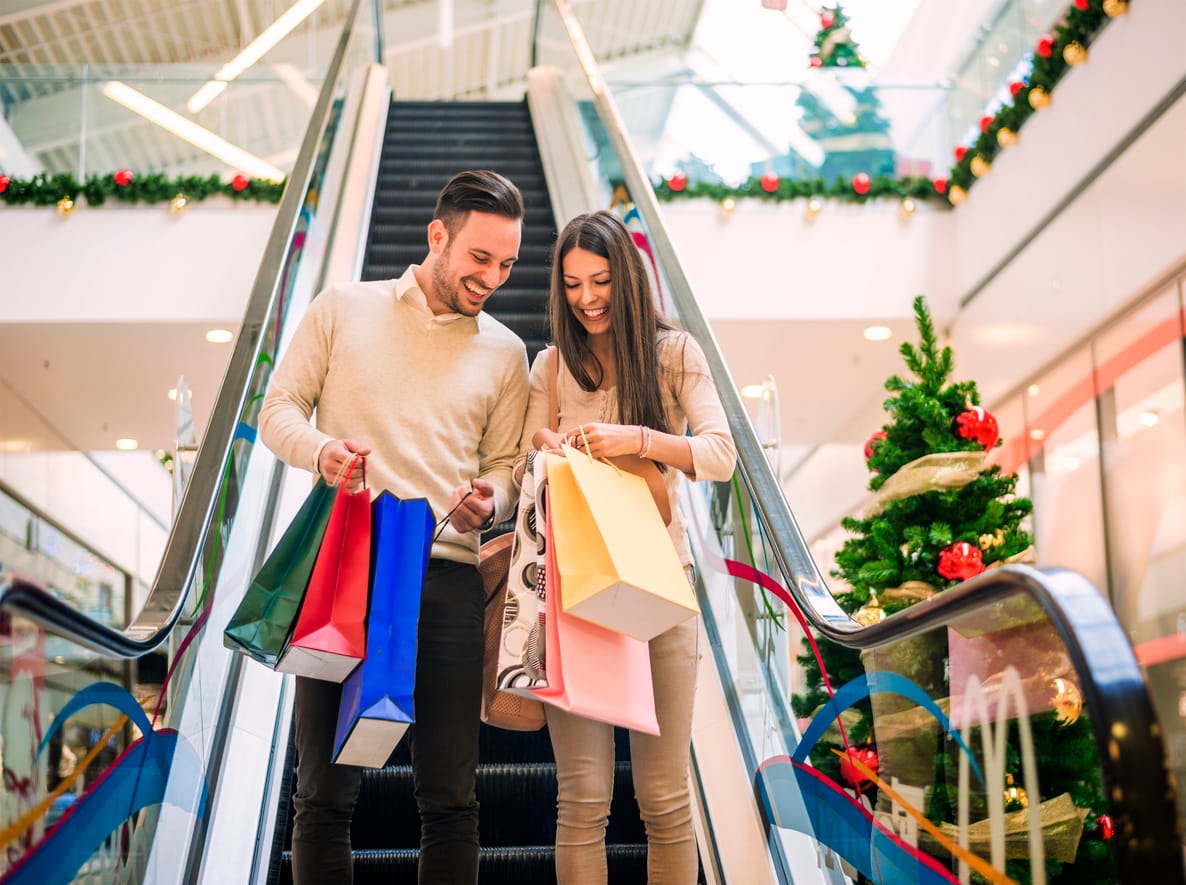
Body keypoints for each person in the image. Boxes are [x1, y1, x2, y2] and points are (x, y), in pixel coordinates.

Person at [258, 169, 530, 884]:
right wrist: (321, 450)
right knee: (323, 794)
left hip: (446, 577)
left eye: (507, 264)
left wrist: (491, 498)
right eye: (481, 258)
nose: (493, 277)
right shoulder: (343, 307)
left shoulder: (506, 352)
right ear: (438, 234)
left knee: (451, 799)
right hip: (346, 566)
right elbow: (278, 407)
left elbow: (506, 463)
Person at [516, 209, 736, 884]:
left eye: (602, 280)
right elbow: (527, 448)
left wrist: (638, 439)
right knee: (581, 799)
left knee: (665, 800)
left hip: (662, 589)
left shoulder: (674, 354)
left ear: (630, 279)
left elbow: (720, 455)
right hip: (576, 594)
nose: (586, 298)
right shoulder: (551, 365)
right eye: (574, 283)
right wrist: (549, 446)